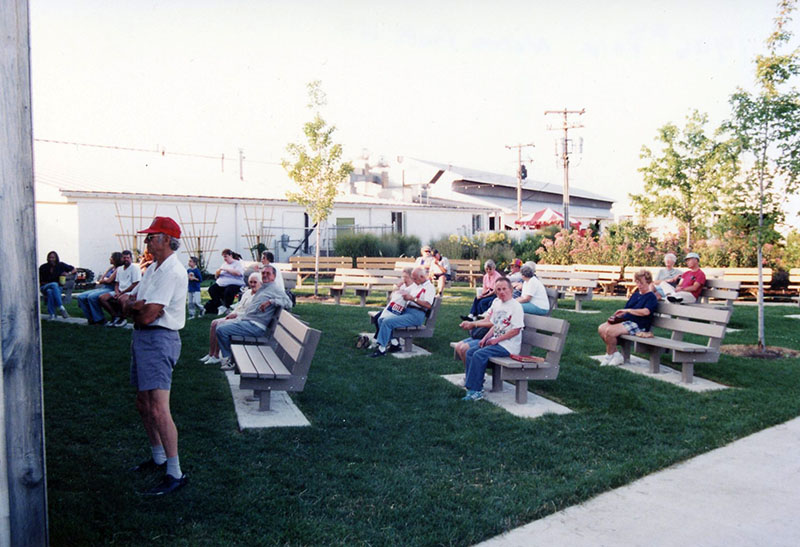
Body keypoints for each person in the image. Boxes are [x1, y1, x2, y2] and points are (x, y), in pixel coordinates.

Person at [127, 216, 188, 496]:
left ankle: (175, 473)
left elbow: (149, 314)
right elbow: (129, 301)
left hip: (159, 339)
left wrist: (135, 308)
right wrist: (134, 307)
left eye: (152, 236)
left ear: (167, 240)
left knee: (159, 408)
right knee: (143, 402)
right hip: (143, 337)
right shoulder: (153, 268)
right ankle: (158, 457)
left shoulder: (173, 271)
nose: (147, 240)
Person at [455, 277, 524, 401]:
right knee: (470, 352)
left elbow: (516, 330)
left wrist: (496, 340)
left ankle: (475, 391)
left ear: (511, 290)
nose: (502, 292)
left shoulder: (516, 307)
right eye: (498, 290)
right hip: (496, 341)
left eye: (504, 289)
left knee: (479, 355)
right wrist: (485, 338)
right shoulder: (497, 303)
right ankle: (473, 387)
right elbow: (495, 325)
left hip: (507, 346)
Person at [215, 265, 293, 370]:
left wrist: (271, 301)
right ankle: (230, 358)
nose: (265, 275)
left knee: (221, 330)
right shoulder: (264, 288)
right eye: (263, 273)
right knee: (220, 325)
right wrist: (239, 315)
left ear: (274, 276)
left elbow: (289, 303)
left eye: (268, 273)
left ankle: (228, 360)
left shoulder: (275, 289)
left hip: (256, 326)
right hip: (249, 322)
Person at [598, 269, 659, 366]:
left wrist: (629, 311)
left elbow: (646, 312)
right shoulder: (635, 294)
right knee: (602, 328)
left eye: (642, 283)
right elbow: (626, 308)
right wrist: (620, 314)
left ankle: (608, 356)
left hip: (639, 325)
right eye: (637, 282)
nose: (639, 285)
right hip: (627, 321)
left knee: (610, 331)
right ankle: (616, 354)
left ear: (648, 283)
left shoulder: (651, 297)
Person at [370, 267, 434, 357]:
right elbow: (403, 291)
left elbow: (428, 305)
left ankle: (381, 349)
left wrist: (413, 298)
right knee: (381, 319)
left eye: (415, 279)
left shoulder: (429, 287)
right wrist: (398, 288)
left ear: (422, 277)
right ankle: (395, 344)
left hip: (416, 315)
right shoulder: (417, 285)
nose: (414, 281)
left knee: (387, 322)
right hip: (407, 310)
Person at [200, 272, 262, 364]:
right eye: (251, 282)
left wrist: (236, 315)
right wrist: (232, 314)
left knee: (219, 324)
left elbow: (250, 313)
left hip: (243, 319)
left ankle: (216, 355)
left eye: (255, 282)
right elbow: (239, 306)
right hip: (236, 316)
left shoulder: (259, 297)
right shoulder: (248, 293)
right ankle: (211, 354)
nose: (252, 284)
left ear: (260, 283)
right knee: (214, 322)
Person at [76, 252, 121, 325]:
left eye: (111, 257)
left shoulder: (119, 269)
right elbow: (101, 279)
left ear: (116, 259)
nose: (109, 258)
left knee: (92, 297)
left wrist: (105, 280)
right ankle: (91, 319)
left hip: (111, 288)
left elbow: (109, 280)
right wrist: (105, 280)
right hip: (104, 287)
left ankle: (100, 319)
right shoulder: (111, 268)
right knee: (81, 297)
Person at [101, 249, 142, 327]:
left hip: (131, 291)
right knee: (102, 298)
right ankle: (115, 316)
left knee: (122, 299)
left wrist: (121, 293)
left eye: (128, 257)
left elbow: (135, 284)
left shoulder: (135, 268)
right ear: (121, 259)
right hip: (120, 291)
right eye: (124, 258)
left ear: (131, 258)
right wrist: (117, 292)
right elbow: (117, 283)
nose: (126, 259)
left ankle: (123, 319)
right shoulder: (120, 269)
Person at [204, 249, 245, 316]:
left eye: (226, 256)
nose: (224, 259)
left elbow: (238, 273)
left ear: (230, 255)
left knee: (228, 290)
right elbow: (217, 277)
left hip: (235, 284)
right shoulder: (224, 264)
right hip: (222, 283)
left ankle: (227, 307)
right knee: (212, 289)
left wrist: (226, 269)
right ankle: (220, 306)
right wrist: (217, 274)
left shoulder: (237, 263)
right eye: (223, 257)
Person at [39, 250, 77, 320]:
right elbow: (40, 281)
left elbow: (74, 269)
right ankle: (61, 307)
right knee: (54, 284)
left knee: (50, 292)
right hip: (44, 287)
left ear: (56, 258)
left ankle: (52, 315)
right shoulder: (43, 267)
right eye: (49, 258)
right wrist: (49, 284)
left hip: (56, 288)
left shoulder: (61, 265)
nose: (51, 259)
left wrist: (69, 274)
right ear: (47, 258)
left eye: (53, 258)